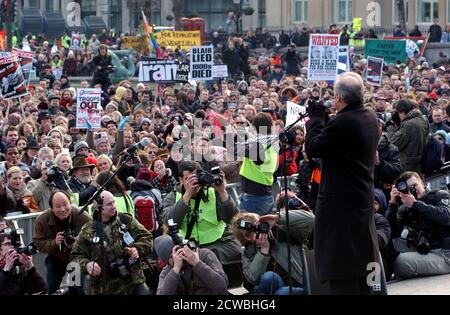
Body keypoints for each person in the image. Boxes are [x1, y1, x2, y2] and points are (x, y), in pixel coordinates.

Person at [304, 72, 381, 295]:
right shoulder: (368, 115)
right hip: (359, 201)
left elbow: (314, 148)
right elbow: (339, 142)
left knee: (342, 268)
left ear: (339, 98)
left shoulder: (344, 122)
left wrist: (316, 119)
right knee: (362, 268)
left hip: (340, 209)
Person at [162, 161, 243, 287]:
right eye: (188, 179)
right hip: (188, 245)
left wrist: (222, 192)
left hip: (219, 242)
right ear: (180, 180)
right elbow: (170, 222)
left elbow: (232, 218)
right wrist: (187, 195)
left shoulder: (212, 192)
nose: (194, 182)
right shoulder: (173, 196)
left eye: (196, 177)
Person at [70, 190, 153, 295]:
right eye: (109, 204)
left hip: (133, 281)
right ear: (98, 208)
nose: (114, 206)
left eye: (114, 202)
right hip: (104, 288)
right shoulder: (88, 231)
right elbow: (75, 257)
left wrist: (137, 249)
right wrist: (87, 265)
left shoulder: (125, 220)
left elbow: (147, 237)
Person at [231, 194, 314, 295]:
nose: (254, 233)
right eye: (248, 234)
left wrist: (277, 217)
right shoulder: (249, 252)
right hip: (275, 287)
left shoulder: (281, 231)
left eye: (256, 227)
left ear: (261, 223)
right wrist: (263, 250)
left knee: (282, 293)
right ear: (244, 239)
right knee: (268, 277)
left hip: (299, 285)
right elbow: (252, 279)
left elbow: (311, 219)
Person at [386, 172, 450, 279]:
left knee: (402, 262)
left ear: (422, 182)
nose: (413, 190)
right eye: (408, 188)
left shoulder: (439, 195)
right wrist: (392, 204)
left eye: (414, 186)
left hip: (444, 252)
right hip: (424, 249)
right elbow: (392, 233)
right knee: (395, 241)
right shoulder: (405, 208)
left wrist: (415, 204)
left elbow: (446, 217)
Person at [33, 191, 92, 294]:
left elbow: (94, 238)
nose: (63, 209)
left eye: (65, 205)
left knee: (76, 288)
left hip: (76, 258)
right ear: (51, 208)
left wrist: (78, 244)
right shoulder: (42, 220)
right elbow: (38, 242)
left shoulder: (82, 216)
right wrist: (54, 242)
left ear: (70, 203)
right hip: (56, 256)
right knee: (52, 287)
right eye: (58, 206)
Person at [154, 235, 228, 295]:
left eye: (178, 251)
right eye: (172, 257)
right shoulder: (168, 270)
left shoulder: (204, 255)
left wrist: (197, 264)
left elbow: (222, 287)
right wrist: (175, 269)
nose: (179, 256)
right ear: (167, 262)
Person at [239, 113, 278, 215]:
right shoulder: (273, 142)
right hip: (264, 192)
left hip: (254, 196)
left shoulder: (257, 144)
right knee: (264, 227)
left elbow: (236, 150)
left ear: (255, 127)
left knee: (249, 229)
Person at [0, 220, 48, 295]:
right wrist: (6, 270)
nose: (12, 247)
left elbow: (42, 289)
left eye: (13, 243)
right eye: (8, 244)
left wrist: (30, 268)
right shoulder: (6, 268)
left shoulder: (18, 266)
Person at [386, 99, 429, 175]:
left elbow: (393, 143)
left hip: (408, 166)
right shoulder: (423, 119)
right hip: (419, 163)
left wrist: (390, 126)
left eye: (398, 113)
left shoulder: (409, 124)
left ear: (402, 112)